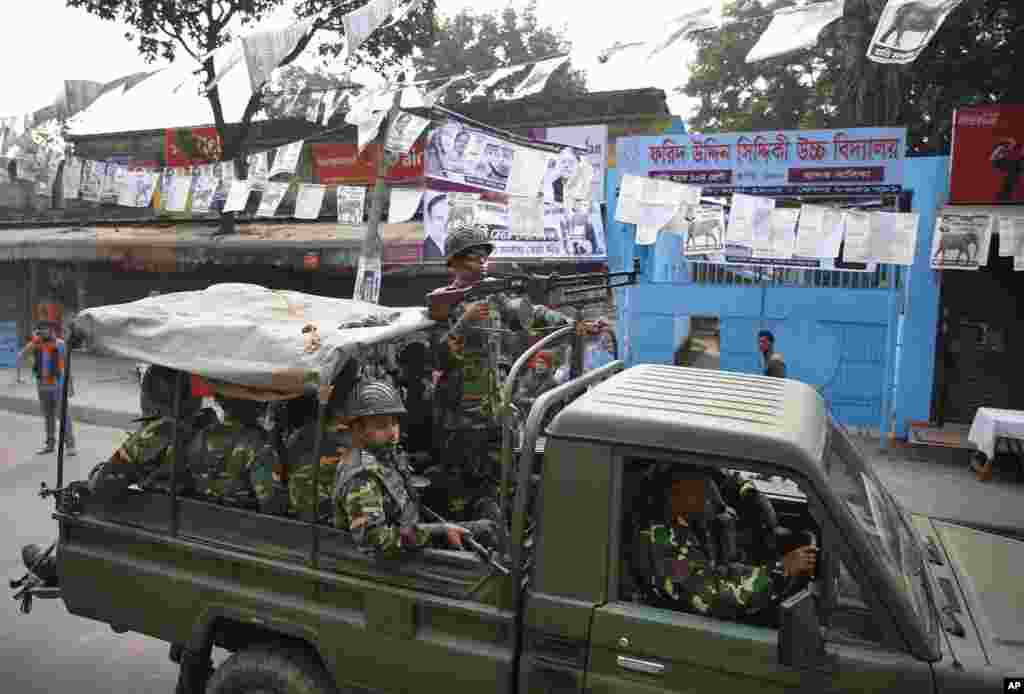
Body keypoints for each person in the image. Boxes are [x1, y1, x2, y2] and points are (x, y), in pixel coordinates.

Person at [428, 224, 607, 525]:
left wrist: (575, 325)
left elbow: (534, 314)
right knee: (460, 490)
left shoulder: (492, 296)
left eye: (484, 255)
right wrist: (464, 323)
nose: (482, 262)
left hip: (494, 409)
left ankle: (496, 530)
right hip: (459, 417)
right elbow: (439, 359)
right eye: (473, 256)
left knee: (498, 482)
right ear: (454, 261)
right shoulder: (443, 302)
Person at [333, 380, 497, 557]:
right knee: (485, 535)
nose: (392, 432)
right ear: (358, 429)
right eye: (381, 425)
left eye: (394, 423)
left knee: (488, 521)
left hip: (413, 536)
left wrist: (439, 527)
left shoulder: (385, 456)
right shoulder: (361, 476)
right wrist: (438, 531)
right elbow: (375, 540)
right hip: (400, 560)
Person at [634, 472, 817, 624]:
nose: (711, 493)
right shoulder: (664, 541)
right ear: (674, 492)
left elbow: (722, 571)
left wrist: (751, 495)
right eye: (700, 487)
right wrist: (781, 569)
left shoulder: (690, 520)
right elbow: (715, 598)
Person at [88, 365, 205, 502]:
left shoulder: (156, 433)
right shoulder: (207, 426)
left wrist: (98, 471)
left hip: (162, 516)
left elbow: (101, 485)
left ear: (151, 397)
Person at [188, 396, 289, 514]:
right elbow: (271, 502)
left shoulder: (202, 435)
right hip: (239, 522)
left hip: (197, 515)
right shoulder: (257, 443)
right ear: (259, 407)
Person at [16, 321, 76, 456]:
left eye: (45, 329)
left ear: (51, 330)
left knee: (63, 416)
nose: (43, 332)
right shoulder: (35, 344)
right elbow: (20, 356)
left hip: (58, 386)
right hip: (42, 387)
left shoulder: (60, 344)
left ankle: (70, 445)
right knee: (48, 416)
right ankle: (50, 444)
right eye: (40, 330)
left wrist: (70, 386)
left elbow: (67, 366)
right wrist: (21, 374)